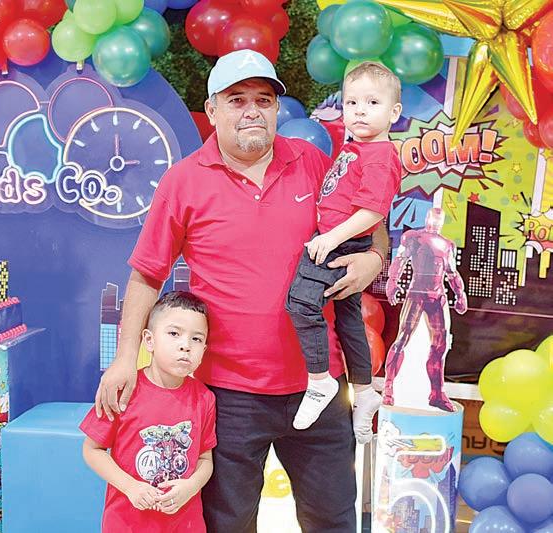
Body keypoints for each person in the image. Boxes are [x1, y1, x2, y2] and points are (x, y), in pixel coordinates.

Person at [94, 49, 389, 532]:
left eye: (264, 99)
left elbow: (372, 219)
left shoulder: (314, 163)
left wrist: (373, 259)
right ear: (212, 110)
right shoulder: (183, 181)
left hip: (319, 385)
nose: (253, 110)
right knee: (228, 523)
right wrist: (126, 358)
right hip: (228, 396)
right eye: (237, 99)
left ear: (276, 109)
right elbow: (147, 274)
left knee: (333, 521)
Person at [286, 62, 402, 439]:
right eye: (352, 103)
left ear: (394, 112)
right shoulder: (358, 147)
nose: (360, 111)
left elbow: (373, 211)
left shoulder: (381, 155)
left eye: (372, 102)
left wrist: (331, 238)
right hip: (340, 237)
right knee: (348, 317)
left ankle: (319, 380)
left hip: (339, 241)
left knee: (301, 303)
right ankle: (365, 391)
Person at [81, 292, 216, 532]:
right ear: (149, 340)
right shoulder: (124, 390)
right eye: (174, 333)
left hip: (185, 524)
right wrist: (130, 486)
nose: (185, 345)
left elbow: (205, 460)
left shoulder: (205, 398)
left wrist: (191, 486)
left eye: (196, 339)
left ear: (204, 349)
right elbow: (92, 450)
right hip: (127, 523)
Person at [384, 207, 468, 411]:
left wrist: (460, 294)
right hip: (417, 293)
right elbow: (400, 259)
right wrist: (392, 281)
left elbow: (451, 272)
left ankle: (437, 393)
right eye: (433, 218)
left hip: (437, 296)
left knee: (440, 344)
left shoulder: (447, 244)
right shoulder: (414, 237)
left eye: (440, 219)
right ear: (428, 218)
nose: (436, 222)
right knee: (402, 338)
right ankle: (388, 388)